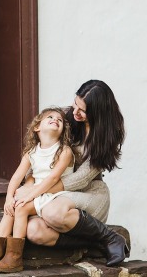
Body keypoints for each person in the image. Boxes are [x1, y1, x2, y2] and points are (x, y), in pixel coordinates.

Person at [21, 80, 129, 267]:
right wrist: (29, 184)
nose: (75, 112)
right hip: (53, 191)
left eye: (83, 110)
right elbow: (41, 151)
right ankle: (95, 243)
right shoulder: (65, 118)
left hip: (89, 192)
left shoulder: (106, 136)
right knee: (34, 231)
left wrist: (38, 191)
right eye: (75, 104)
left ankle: (110, 237)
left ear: (97, 113)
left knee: (53, 212)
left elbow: (81, 179)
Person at [0, 107, 75, 273]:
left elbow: (53, 179)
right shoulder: (32, 152)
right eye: (50, 117)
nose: (55, 120)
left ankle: (14, 257)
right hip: (36, 193)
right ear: (37, 127)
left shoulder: (64, 151)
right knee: (12, 206)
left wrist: (29, 196)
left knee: (21, 206)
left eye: (59, 120)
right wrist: (9, 197)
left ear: (62, 131)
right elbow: (17, 177)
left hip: (54, 194)